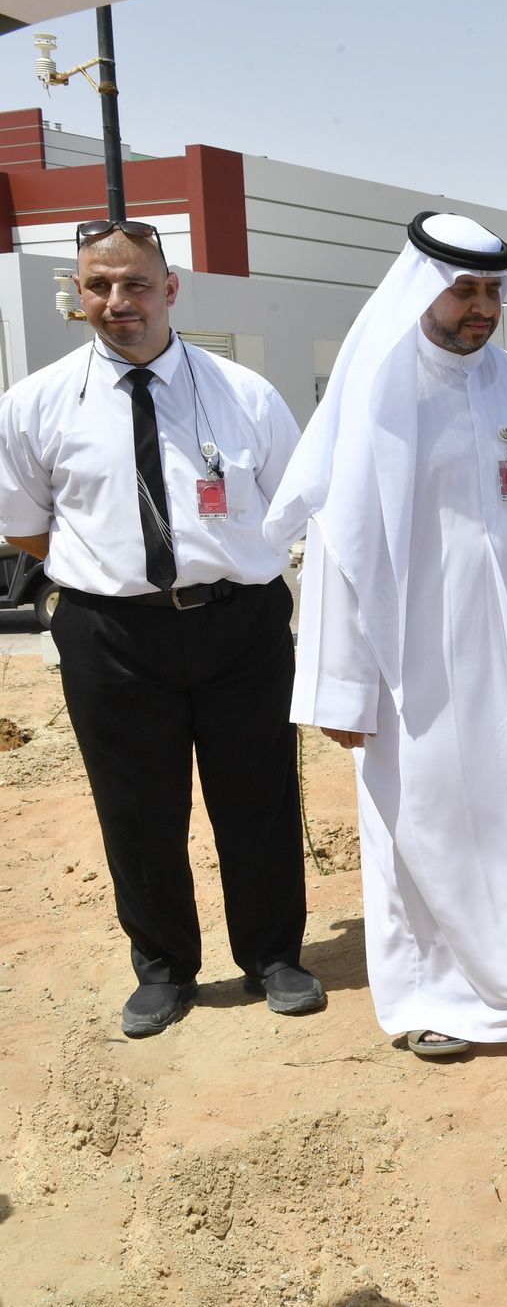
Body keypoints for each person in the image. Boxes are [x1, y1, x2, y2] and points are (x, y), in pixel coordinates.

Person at [270, 212, 507, 1058]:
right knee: (434, 830)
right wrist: (343, 684)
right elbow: (340, 547)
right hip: (419, 667)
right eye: (463, 289)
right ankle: (438, 998)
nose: (481, 307)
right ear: (421, 285)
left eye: (492, 291)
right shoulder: (376, 393)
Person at [0, 219, 320, 1038]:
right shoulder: (36, 403)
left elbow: (299, 511)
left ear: (170, 289)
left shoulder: (245, 395)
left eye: (135, 283)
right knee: (137, 810)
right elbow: (29, 528)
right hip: (112, 637)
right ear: (79, 294)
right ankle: (164, 968)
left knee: (258, 798)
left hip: (239, 626)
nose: (117, 302)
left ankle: (274, 956)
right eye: (98, 286)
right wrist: (120, 578)